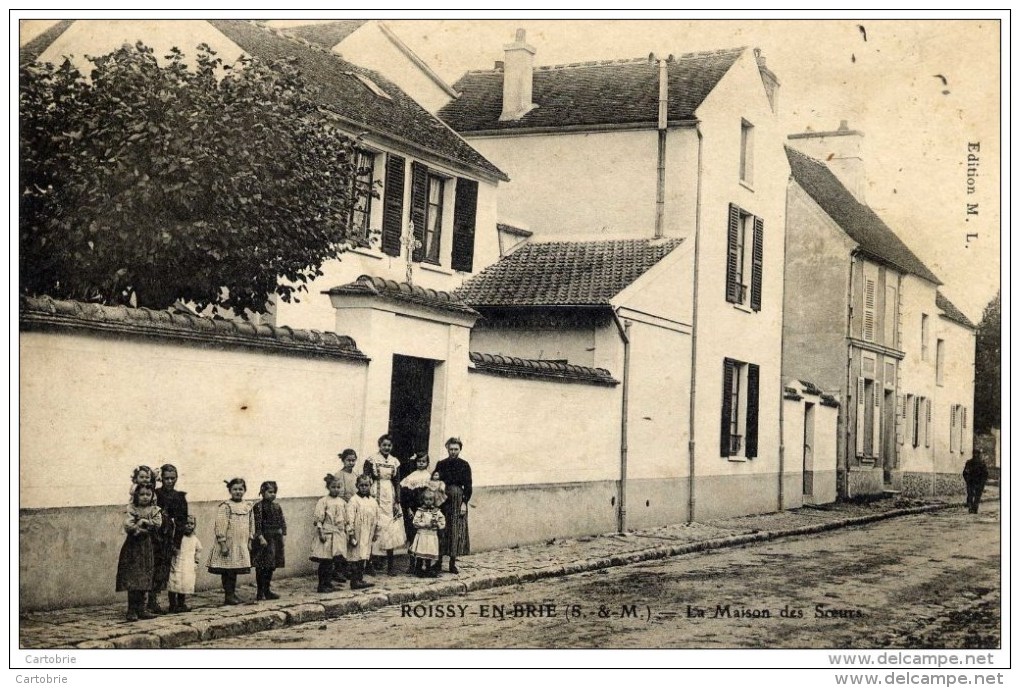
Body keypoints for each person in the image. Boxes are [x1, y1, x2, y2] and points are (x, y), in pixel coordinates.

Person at [116, 483, 162, 621]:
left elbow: (158, 523)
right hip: (133, 547)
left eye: (148, 494)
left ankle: (141, 609)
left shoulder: (154, 509)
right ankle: (131, 610)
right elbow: (128, 525)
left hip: (146, 547)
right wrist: (139, 527)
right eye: (142, 494)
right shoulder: (132, 509)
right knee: (133, 577)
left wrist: (144, 522)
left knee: (144, 576)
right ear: (136, 495)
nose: (145, 497)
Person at [207, 478, 254, 605]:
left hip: (240, 544)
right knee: (227, 570)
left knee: (234, 570)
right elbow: (220, 525)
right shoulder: (226, 506)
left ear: (244, 490)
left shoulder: (248, 506)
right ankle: (228, 595)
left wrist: (250, 540)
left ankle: (232, 593)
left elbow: (251, 524)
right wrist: (222, 544)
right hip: (228, 544)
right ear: (230, 490)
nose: (238, 492)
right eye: (235, 489)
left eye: (240, 489)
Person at [365, 435, 405, 575]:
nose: (386, 448)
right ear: (379, 445)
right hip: (375, 492)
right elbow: (366, 478)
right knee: (375, 526)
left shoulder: (394, 461)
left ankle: (390, 565)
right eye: (384, 445)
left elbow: (397, 481)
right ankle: (370, 563)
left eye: (389, 445)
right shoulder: (372, 460)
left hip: (390, 495)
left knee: (390, 527)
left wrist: (397, 500)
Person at [152, 463, 188, 615]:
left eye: (172, 478)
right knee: (153, 566)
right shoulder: (155, 494)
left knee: (166, 569)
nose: (169, 481)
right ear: (162, 479)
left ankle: (171, 602)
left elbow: (181, 522)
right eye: (166, 478)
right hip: (155, 536)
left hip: (169, 537)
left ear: (177, 478)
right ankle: (151, 601)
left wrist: (176, 542)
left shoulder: (179, 497)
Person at [435, 437, 472, 574]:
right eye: (451, 449)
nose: (453, 452)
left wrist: (464, 503)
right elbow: (435, 479)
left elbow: (468, 486)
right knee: (441, 528)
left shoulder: (464, 465)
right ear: (447, 449)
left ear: (460, 449)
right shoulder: (441, 464)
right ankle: (438, 562)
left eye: (456, 449)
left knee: (455, 530)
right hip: (443, 499)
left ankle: (452, 563)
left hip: (457, 499)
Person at [311, 475, 347, 592]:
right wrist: (320, 532)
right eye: (333, 487)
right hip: (327, 535)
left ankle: (329, 583)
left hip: (338, 534)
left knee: (333, 561)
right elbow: (319, 519)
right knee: (325, 561)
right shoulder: (323, 501)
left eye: (338, 487)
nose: (336, 489)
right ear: (328, 487)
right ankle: (322, 585)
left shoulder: (342, 502)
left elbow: (345, 518)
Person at [252, 480, 286, 601]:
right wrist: (260, 537)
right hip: (264, 541)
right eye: (270, 492)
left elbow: (282, 520)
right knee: (262, 566)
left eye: (274, 492)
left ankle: (267, 590)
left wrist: (283, 531)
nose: (272, 494)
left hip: (275, 539)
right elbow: (256, 523)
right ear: (262, 492)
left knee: (271, 566)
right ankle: (260, 592)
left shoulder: (277, 506)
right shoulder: (258, 507)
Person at [346, 474, 380, 590]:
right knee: (356, 556)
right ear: (357, 486)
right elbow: (349, 519)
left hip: (368, 533)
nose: (364, 488)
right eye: (361, 485)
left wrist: (376, 532)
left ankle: (360, 578)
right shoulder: (354, 500)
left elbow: (377, 518)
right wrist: (351, 535)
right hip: (358, 533)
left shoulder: (373, 501)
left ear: (370, 486)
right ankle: (354, 581)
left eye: (366, 485)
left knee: (364, 556)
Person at [167, 515, 202, 613]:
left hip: (188, 565)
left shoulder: (194, 539)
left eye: (192, 524)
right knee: (174, 584)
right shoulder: (178, 537)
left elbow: (199, 549)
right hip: (177, 564)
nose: (189, 526)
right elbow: (172, 547)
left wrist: (196, 561)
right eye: (187, 523)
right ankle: (172, 605)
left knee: (184, 585)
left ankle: (181, 604)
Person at [409, 488, 446, 578]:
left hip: (432, 535)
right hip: (422, 535)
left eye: (430, 500)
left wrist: (437, 524)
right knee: (421, 552)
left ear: (434, 500)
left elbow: (442, 522)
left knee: (429, 551)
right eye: (426, 499)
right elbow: (415, 522)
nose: (428, 502)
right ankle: (418, 569)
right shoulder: (420, 511)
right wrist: (425, 524)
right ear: (423, 500)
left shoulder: (437, 512)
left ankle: (428, 569)